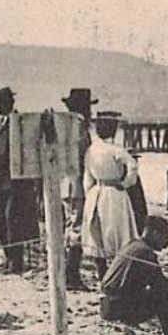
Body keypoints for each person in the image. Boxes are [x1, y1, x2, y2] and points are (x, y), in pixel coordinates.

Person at [100, 214, 168, 335]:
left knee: (161, 291)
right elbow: (160, 285)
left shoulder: (133, 245)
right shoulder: (146, 253)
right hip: (117, 309)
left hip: (107, 305)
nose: (166, 243)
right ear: (154, 233)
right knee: (166, 294)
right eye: (165, 237)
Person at [83, 111, 141, 280]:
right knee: (118, 231)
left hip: (96, 193)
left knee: (97, 234)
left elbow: (87, 177)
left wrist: (89, 193)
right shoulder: (116, 149)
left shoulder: (91, 150)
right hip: (114, 193)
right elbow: (133, 166)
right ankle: (117, 271)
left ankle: (101, 272)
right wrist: (125, 183)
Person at [0, 86, 39, 274]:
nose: (0, 107)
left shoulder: (21, 124)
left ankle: (16, 261)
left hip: (15, 183)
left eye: (2, 103)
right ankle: (9, 258)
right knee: (0, 220)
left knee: (13, 220)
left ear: (11, 102)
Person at [61, 87, 97, 291]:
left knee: (70, 227)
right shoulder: (79, 128)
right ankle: (71, 274)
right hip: (77, 185)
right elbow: (81, 158)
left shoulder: (66, 126)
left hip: (67, 184)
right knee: (76, 229)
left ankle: (68, 272)